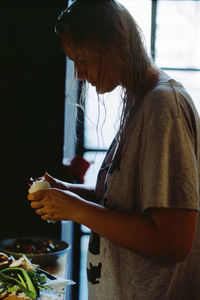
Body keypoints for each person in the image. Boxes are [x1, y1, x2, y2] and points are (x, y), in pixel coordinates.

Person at [28, 0, 200, 299]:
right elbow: (128, 204)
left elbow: (173, 242)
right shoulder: (139, 99)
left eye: (82, 58)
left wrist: (77, 209)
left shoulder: (163, 106)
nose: (79, 74)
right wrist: (68, 192)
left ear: (115, 43)